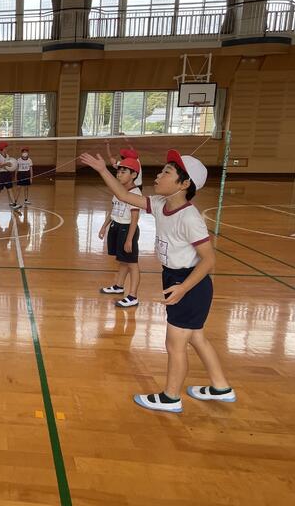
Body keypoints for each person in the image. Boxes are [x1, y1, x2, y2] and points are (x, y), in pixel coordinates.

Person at [79, 149, 235, 413]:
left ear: (184, 184)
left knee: (175, 344)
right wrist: (103, 170)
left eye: (167, 172)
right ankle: (221, 387)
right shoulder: (161, 204)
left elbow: (209, 260)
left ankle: (171, 397)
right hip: (175, 278)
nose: (159, 175)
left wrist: (183, 288)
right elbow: (124, 195)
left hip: (190, 283)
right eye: (162, 170)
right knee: (196, 337)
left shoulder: (190, 218)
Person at [98, 157, 142, 308]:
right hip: (116, 226)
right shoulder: (118, 190)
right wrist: (104, 226)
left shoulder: (135, 193)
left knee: (132, 263)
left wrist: (129, 239)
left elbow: (135, 218)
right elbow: (114, 210)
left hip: (127, 229)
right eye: (118, 172)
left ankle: (133, 296)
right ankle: (119, 286)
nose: (119, 175)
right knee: (123, 260)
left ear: (133, 175)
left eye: (123, 172)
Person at [0, 141, 21, 211]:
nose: (7, 149)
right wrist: (6, 164)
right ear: (2, 148)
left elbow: (8, 166)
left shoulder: (7, 156)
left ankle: (14, 204)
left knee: (10, 189)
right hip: (1, 175)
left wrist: (12, 167)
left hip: (7, 174)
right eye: (5, 147)